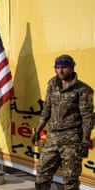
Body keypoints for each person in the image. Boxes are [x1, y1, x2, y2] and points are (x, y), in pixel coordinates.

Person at [32, 54, 94, 190]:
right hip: (52, 138)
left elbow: (87, 118)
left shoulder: (83, 90)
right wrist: (37, 130)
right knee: (42, 173)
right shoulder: (52, 85)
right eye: (57, 67)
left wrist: (85, 141)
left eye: (64, 67)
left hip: (72, 140)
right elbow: (46, 110)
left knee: (70, 179)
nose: (60, 71)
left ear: (72, 68)